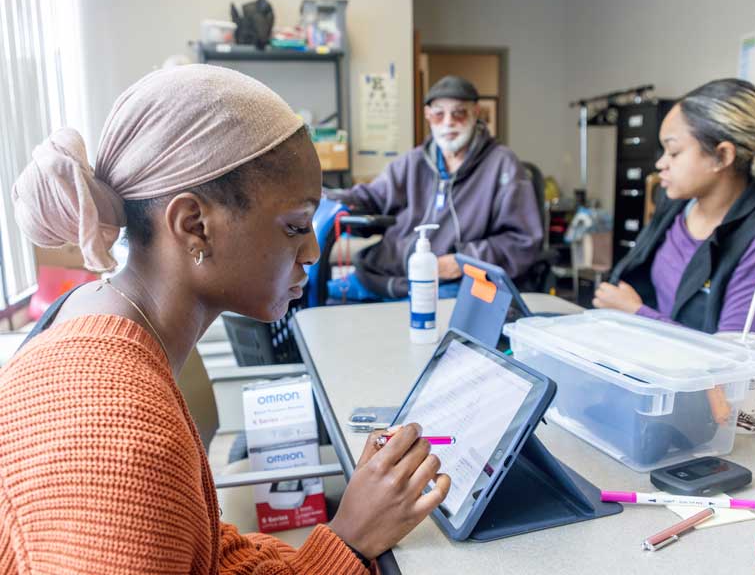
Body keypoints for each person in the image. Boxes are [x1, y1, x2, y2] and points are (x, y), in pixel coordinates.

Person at [1, 65, 450, 574]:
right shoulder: (117, 443)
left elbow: (197, 546)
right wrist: (345, 543)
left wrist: (341, 536)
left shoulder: (94, 312)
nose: (314, 250)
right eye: (297, 225)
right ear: (194, 225)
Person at [594, 79, 755, 350]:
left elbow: (734, 366)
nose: (660, 163)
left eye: (674, 151)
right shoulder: (676, 207)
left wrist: (636, 314)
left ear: (722, 156)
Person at [326, 75, 542, 299]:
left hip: (451, 283)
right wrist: (329, 198)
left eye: (459, 112)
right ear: (428, 116)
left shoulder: (503, 165)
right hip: (386, 274)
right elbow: (370, 197)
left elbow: (522, 242)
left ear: (475, 113)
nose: (449, 122)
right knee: (317, 299)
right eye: (439, 114)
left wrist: (463, 261)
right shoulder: (413, 161)